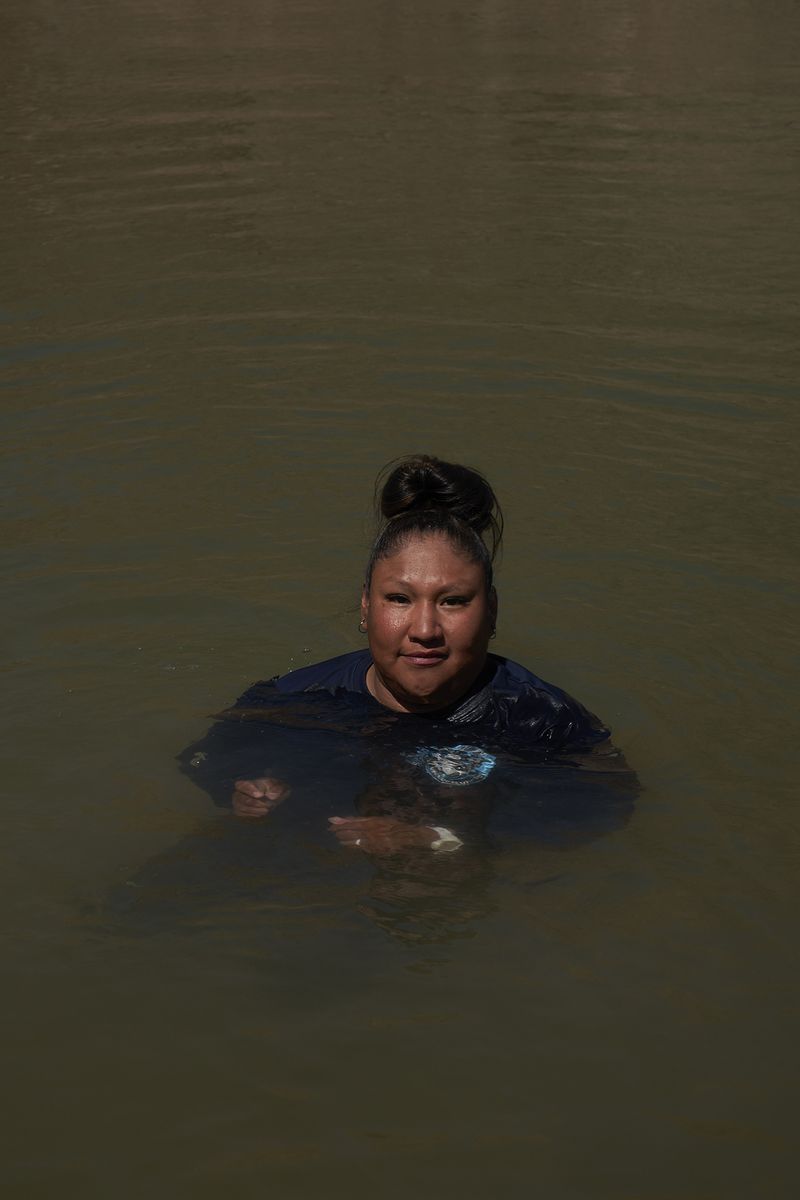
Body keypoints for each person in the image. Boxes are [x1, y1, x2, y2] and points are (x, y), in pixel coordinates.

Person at [180, 455, 634, 859]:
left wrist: (437, 840)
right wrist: (241, 788)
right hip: (298, 868)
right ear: (365, 607)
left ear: (491, 610)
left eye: (453, 601)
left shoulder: (543, 723)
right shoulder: (296, 699)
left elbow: (607, 806)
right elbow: (205, 759)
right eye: (399, 599)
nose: (424, 630)